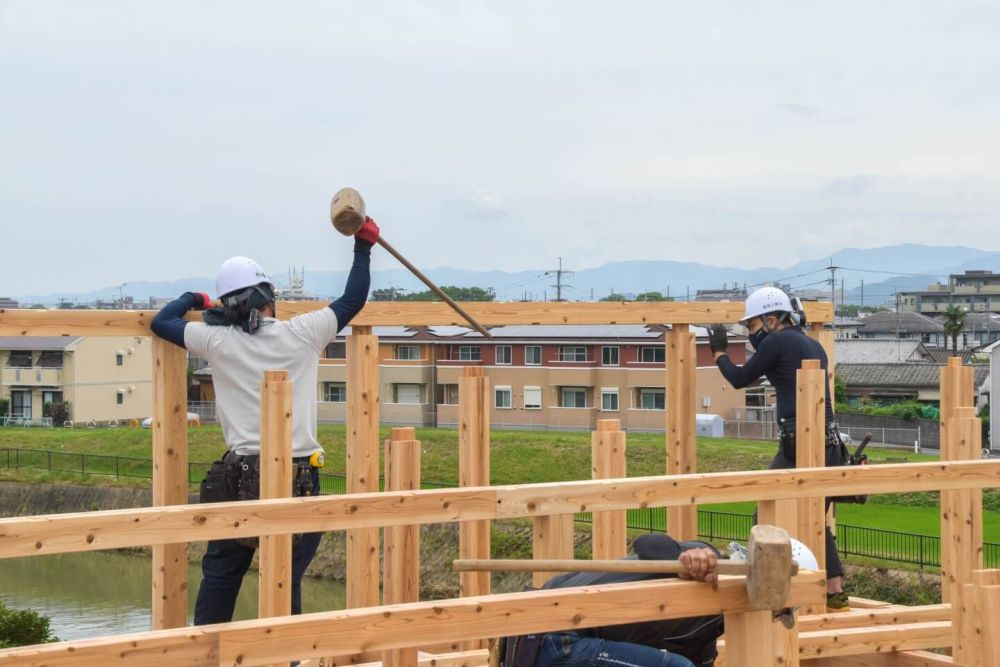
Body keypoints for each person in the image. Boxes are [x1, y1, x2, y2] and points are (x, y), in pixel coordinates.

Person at [150, 216, 380, 625]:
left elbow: (162, 323)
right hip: (298, 478)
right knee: (283, 579)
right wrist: (363, 246)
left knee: (221, 577)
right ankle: (283, 656)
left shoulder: (216, 340)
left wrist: (194, 299)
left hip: (237, 477)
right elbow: (352, 300)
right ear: (268, 295)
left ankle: (208, 655)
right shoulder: (302, 333)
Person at [707, 286, 849, 612]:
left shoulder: (778, 341)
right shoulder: (812, 344)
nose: (752, 334)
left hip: (799, 442)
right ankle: (834, 591)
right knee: (815, 516)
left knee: (768, 511)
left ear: (772, 319)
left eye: (753, 326)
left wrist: (718, 353)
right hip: (827, 443)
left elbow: (741, 378)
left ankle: (776, 589)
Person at [501, 534, 819, 667]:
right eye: (778, 609)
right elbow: (647, 543)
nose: (772, 617)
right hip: (547, 636)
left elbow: (700, 659)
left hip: (545, 643)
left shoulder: (710, 626)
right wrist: (690, 555)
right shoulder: (711, 567)